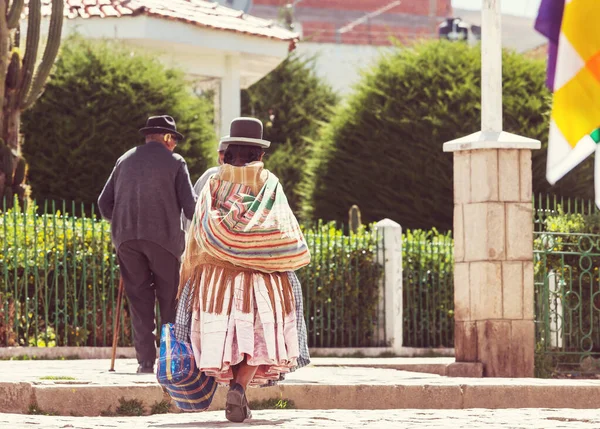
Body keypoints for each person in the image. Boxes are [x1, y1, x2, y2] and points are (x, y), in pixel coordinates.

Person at [179, 117, 310, 422]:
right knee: (256, 334)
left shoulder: (214, 181)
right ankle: (239, 387)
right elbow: (282, 226)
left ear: (228, 150)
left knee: (230, 335)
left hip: (217, 278)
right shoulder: (269, 182)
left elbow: (198, 230)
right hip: (263, 275)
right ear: (260, 154)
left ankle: (238, 390)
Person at [98, 115, 196, 374]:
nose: (174, 144)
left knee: (139, 300)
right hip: (164, 240)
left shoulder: (124, 159)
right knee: (169, 301)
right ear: (167, 137)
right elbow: (191, 207)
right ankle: (171, 360)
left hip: (126, 240)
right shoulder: (175, 162)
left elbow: (103, 203)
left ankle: (145, 362)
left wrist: (122, 221)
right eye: (173, 139)